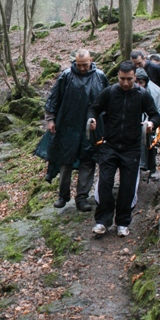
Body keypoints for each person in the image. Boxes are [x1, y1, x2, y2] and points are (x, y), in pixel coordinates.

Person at [88, 61, 160, 237]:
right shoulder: (110, 92)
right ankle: (102, 221)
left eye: (129, 79)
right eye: (122, 79)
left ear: (135, 77)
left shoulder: (142, 95)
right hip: (110, 145)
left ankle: (122, 222)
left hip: (132, 147)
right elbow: (94, 108)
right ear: (118, 76)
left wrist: (151, 123)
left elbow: (156, 115)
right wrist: (92, 120)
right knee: (105, 183)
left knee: (128, 186)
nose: (126, 83)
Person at [44, 49, 109, 211]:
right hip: (67, 126)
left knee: (87, 161)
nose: (81, 68)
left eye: (85, 65)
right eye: (79, 65)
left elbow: (107, 102)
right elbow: (54, 98)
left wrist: (105, 124)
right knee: (65, 161)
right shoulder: (66, 76)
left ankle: (82, 198)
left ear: (91, 60)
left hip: (90, 127)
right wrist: (50, 119)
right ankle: (63, 195)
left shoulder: (100, 77)